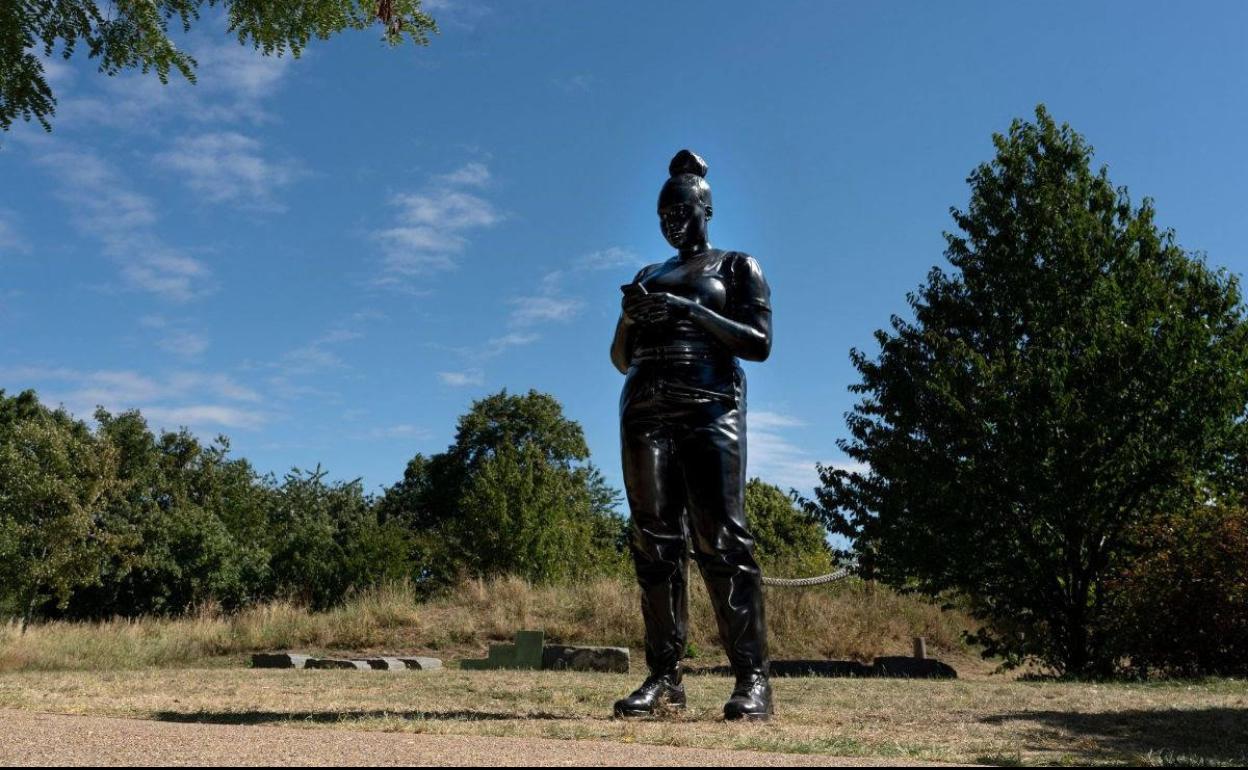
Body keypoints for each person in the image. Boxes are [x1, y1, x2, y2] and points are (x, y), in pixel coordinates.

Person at [610, 149, 773, 721]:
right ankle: (664, 677)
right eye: (662, 213)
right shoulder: (647, 276)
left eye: (680, 209)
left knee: (722, 538)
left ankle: (752, 678)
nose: (671, 219)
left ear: (706, 207)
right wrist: (634, 317)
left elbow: (758, 343)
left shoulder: (736, 267)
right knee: (653, 540)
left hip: (709, 404)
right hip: (644, 405)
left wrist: (689, 311)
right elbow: (617, 357)